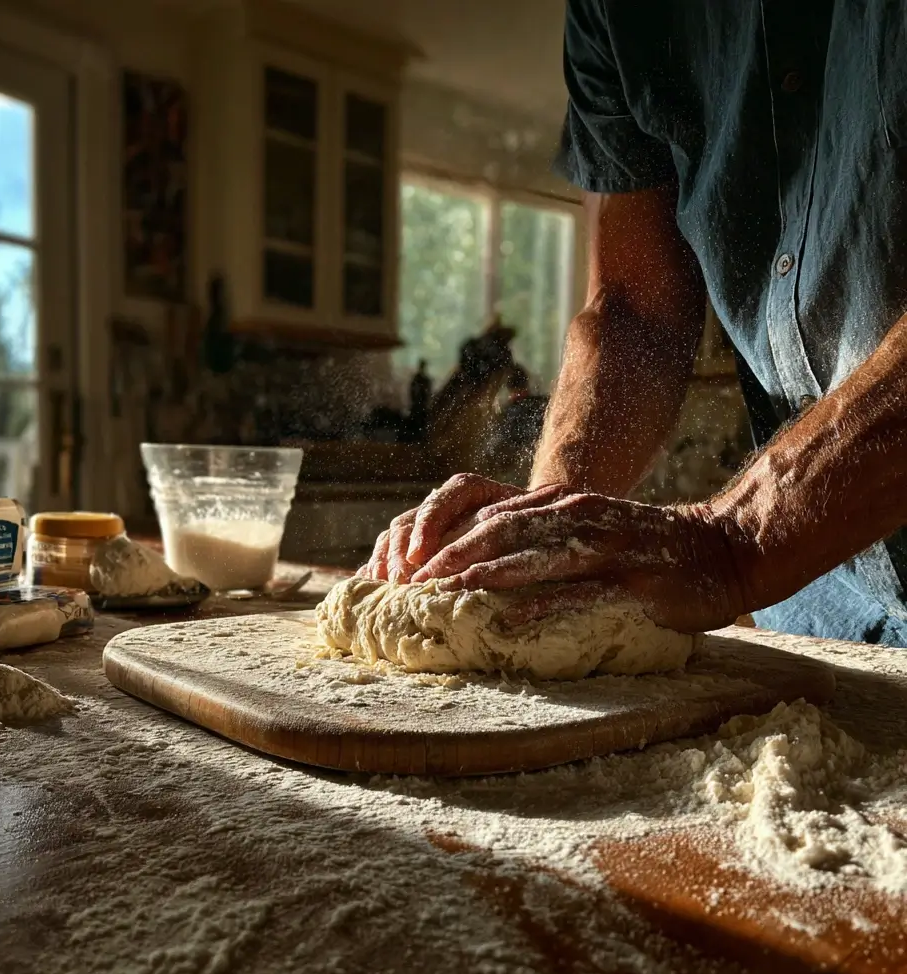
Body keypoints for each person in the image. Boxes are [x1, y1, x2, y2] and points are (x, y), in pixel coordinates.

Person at [362, 2, 907, 646]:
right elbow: (633, 310)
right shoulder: (615, 14)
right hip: (823, 611)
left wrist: (736, 544)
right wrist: (547, 539)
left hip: (777, 555)